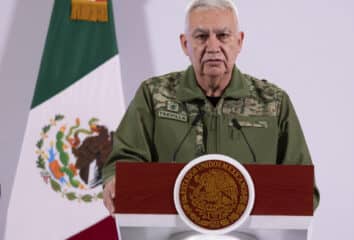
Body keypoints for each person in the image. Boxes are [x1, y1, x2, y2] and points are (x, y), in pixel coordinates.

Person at [102, 0, 320, 214]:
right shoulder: (154, 96)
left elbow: (304, 191)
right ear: (185, 44)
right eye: (201, 36)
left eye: (223, 36)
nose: (213, 47)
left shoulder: (273, 103)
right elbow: (124, 161)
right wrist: (116, 179)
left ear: (239, 41)